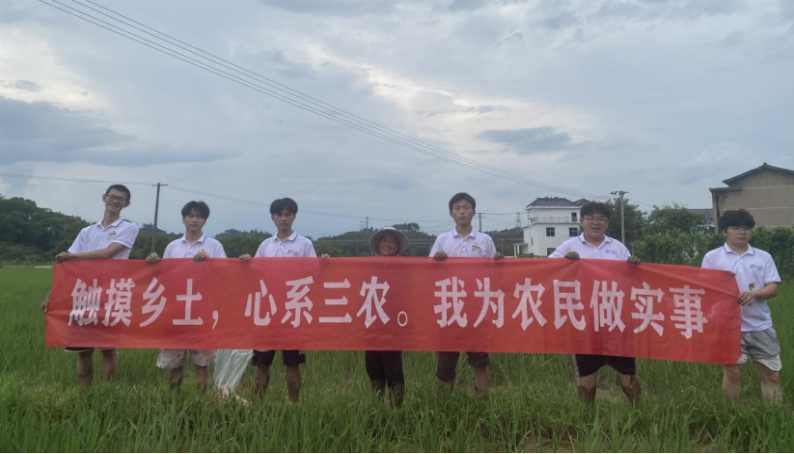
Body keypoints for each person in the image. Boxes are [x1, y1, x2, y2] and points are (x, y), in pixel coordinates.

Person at [41, 184, 140, 390]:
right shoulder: (86, 231)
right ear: (104, 198)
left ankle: (104, 394)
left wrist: (73, 256)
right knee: (83, 350)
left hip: (110, 294)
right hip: (84, 295)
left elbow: (107, 253)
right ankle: (84, 395)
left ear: (126, 204)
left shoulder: (129, 228)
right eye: (112, 197)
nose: (115, 201)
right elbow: (69, 269)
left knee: (108, 349)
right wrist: (53, 294)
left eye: (120, 199)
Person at [549, 201, 642, 403]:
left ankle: (638, 411)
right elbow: (549, 268)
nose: (596, 222)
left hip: (615, 317)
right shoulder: (569, 246)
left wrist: (634, 266)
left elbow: (633, 278)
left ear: (607, 223)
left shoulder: (617, 247)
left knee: (627, 375)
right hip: (583, 319)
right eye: (590, 218)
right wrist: (565, 262)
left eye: (601, 219)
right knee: (586, 377)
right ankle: (586, 416)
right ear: (581, 222)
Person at [240, 197, 317, 402]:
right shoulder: (266, 245)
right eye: (279, 214)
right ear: (272, 217)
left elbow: (314, 273)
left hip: (293, 310)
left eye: (287, 214)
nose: (283, 218)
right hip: (267, 311)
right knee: (262, 363)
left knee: (292, 363)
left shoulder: (304, 244)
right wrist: (245, 262)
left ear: (294, 217)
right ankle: (258, 406)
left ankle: (294, 406)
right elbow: (255, 273)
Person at [701, 209, 782, 402]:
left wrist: (756, 293)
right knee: (733, 372)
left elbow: (773, 288)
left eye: (746, 228)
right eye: (735, 228)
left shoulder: (763, 257)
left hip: (760, 324)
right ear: (724, 232)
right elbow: (705, 288)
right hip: (728, 326)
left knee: (771, 374)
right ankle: (731, 412)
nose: (742, 232)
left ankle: (774, 414)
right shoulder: (713, 257)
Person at [145, 201, 224, 393]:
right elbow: (164, 276)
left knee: (202, 364)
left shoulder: (214, 246)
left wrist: (209, 261)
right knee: (174, 366)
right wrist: (153, 263)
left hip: (202, 312)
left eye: (199, 216)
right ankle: (174, 402)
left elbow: (224, 274)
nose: (194, 220)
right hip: (176, 311)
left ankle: (201, 403)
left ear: (205, 220)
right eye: (190, 216)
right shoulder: (173, 246)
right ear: (183, 219)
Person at [430, 192, 503, 395]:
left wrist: (498, 260)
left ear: (473, 212)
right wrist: (436, 259)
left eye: (466, 208)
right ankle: (445, 403)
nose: (462, 212)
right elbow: (429, 271)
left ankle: (483, 402)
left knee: (480, 359)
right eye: (457, 208)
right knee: (446, 360)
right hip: (449, 305)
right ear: (451, 214)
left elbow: (495, 272)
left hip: (477, 307)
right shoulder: (442, 240)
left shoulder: (485, 240)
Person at [365, 227, 409, 407]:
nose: (387, 244)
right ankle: (378, 409)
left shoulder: (406, 268)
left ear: (397, 246)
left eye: (391, 241)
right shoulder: (369, 266)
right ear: (378, 245)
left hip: (395, 325)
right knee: (373, 367)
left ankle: (397, 410)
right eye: (384, 240)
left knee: (394, 368)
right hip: (373, 324)